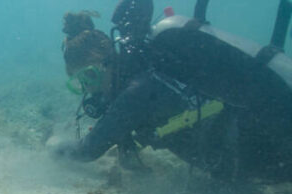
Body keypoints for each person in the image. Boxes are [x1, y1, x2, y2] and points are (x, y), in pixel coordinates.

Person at [51, 0, 292, 183]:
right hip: (253, 144)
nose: (90, 89)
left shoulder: (137, 92)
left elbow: (86, 151)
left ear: (108, 60)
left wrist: (52, 147)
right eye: (80, 83)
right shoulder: (148, 73)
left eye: (90, 76)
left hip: (262, 148)